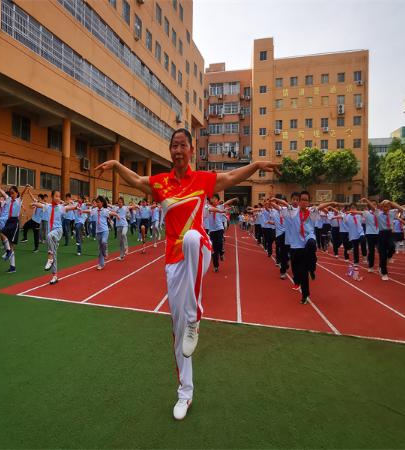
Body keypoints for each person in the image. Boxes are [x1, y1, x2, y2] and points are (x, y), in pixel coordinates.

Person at [95, 127, 280, 421]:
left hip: (200, 249)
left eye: (182, 145)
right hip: (174, 262)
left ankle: (196, 314)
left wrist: (256, 166)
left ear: (191, 150)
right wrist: (117, 165)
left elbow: (232, 178)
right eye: (174, 146)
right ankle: (185, 392)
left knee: (193, 239)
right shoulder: (161, 184)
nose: (178, 150)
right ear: (171, 151)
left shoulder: (203, 180)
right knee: (179, 332)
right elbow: (138, 180)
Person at [272, 194, 335, 304]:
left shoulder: (311, 211)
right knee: (297, 270)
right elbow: (283, 205)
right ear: (299, 202)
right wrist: (273, 200)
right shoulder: (292, 212)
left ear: (309, 202)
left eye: (306, 200)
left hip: (307, 240)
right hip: (296, 245)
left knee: (310, 249)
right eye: (302, 200)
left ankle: (305, 293)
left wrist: (331, 203)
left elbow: (320, 206)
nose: (304, 202)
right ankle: (300, 279)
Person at [31, 190, 77, 284]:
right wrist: (34, 203)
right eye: (56, 196)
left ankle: (49, 258)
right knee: (54, 254)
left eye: (59, 196)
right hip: (51, 234)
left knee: (48, 236)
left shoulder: (61, 207)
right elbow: (40, 205)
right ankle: (54, 276)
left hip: (58, 231)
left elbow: (69, 208)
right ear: (52, 197)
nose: (58, 198)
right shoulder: (47, 207)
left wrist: (76, 206)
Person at [0, 185, 30, 273]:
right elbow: (4, 194)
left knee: (11, 245)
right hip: (9, 221)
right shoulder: (9, 199)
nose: (11, 195)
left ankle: (12, 266)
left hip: (15, 222)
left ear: (16, 193)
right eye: (10, 193)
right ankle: (8, 252)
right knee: (2, 233)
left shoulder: (19, 200)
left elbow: (22, 194)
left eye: (13, 193)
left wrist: (25, 188)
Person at [360, 199, 380, 273]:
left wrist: (366, 200)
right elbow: (359, 212)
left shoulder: (378, 213)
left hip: (378, 233)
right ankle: (371, 266)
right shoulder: (366, 213)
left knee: (380, 250)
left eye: (375, 204)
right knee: (371, 251)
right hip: (370, 234)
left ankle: (381, 266)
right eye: (372, 204)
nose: (373, 206)